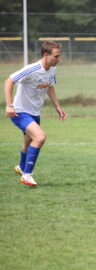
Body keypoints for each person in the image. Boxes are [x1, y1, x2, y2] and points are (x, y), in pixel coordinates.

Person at [4, 41, 67, 186]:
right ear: (46, 55)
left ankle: (21, 167)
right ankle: (27, 175)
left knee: (29, 142)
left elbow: (50, 87)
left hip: (34, 112)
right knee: (40, 137)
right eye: (56, 56)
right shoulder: (31, 69)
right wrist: (9, 105)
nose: (59, 59)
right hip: (20, 112)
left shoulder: (52, 69)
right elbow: (9, 81)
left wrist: (57, 106)